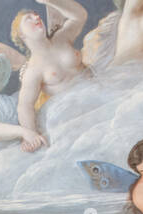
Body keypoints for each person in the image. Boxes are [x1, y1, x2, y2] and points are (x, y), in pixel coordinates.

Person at [7, 3, 93, 136]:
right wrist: (31, 135)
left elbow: (80, 16)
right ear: (21, 34)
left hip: (98, 90)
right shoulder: (33, 70)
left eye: (36, 16)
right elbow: (25, 106)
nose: (36, 18)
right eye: (28, 18)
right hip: (76, 113)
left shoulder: (62, 37)